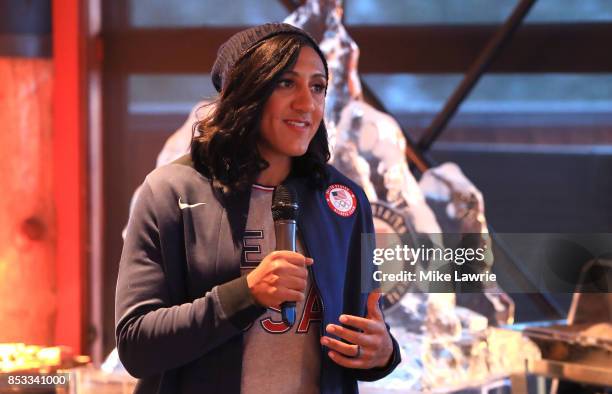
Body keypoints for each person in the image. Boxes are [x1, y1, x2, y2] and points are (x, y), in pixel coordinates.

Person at [115, 23, 400, 394]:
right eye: (286, 83)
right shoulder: (170, 190)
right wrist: (246, 294)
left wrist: (383, 352)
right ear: (245, 91)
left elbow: (365, 333)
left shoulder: (344, 201)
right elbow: (136, 345)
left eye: (317, 87)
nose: (307, 103)